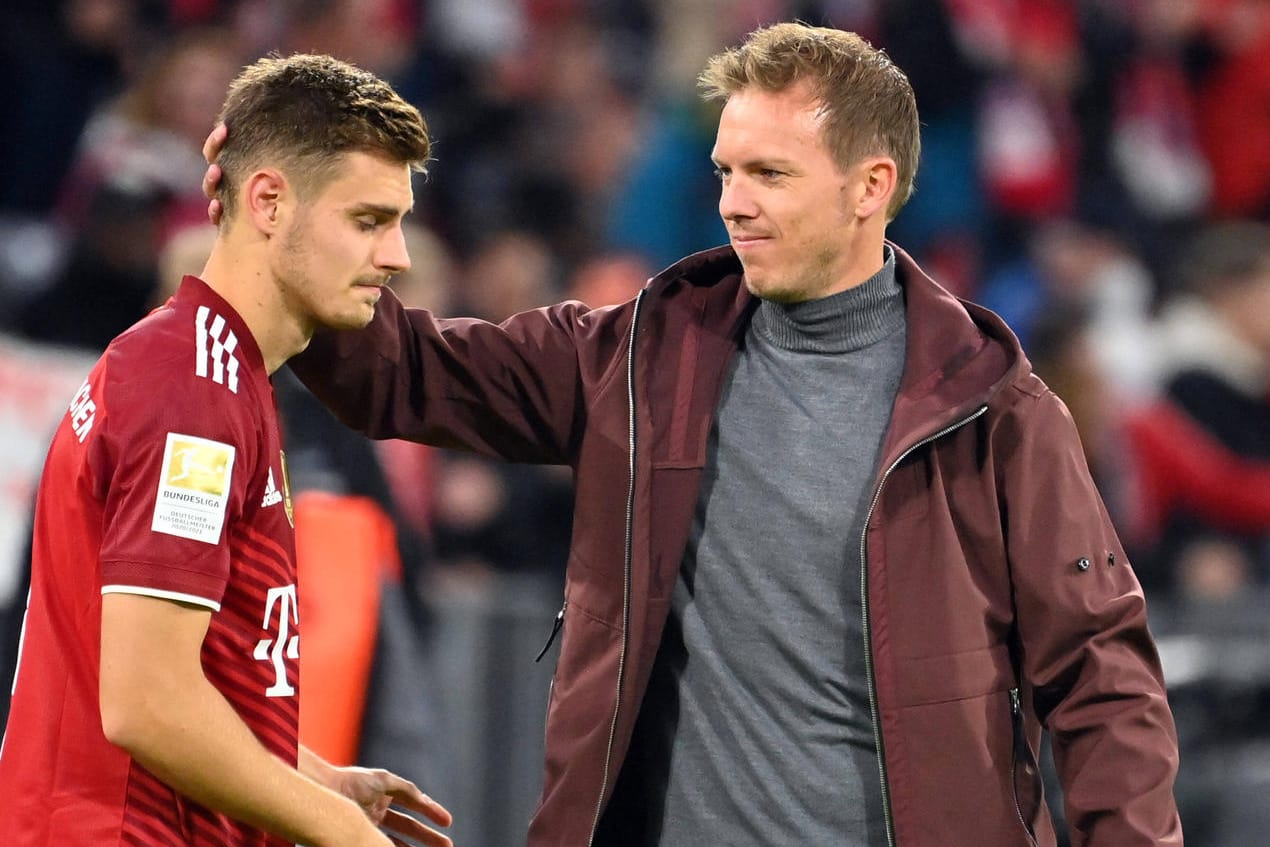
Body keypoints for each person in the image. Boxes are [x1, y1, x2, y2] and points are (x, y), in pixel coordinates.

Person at [208, 22, 1183, 847]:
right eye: (724, 170)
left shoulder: (993, 410)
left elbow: (1100, 678)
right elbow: (404, 376)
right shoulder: (639, 354)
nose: (731, 202)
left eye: (768, 173)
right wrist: (295, 240)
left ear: (868, 186)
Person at [0, 54, 453, 847]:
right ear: (269, 201)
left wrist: (310, 773)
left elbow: (189, 666)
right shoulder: (190, 390)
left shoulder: (214, 371)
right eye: (369, 220)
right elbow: (147, 700)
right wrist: (340, 829)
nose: (398, 256)